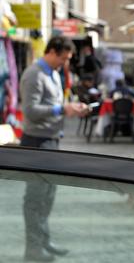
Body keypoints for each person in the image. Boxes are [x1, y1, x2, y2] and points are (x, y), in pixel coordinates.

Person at [19, 36, 89, 262]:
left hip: (51, 140)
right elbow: (30, 111)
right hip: (36, 142)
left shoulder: (54, 73)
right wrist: (61, 109)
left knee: (48, 196)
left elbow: (53, 105)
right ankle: (33, 249)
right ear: (51, 52)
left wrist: (72, 108)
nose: (65, 63)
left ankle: (43, 242)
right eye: (63, 58)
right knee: (35, 198)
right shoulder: (34, 74)